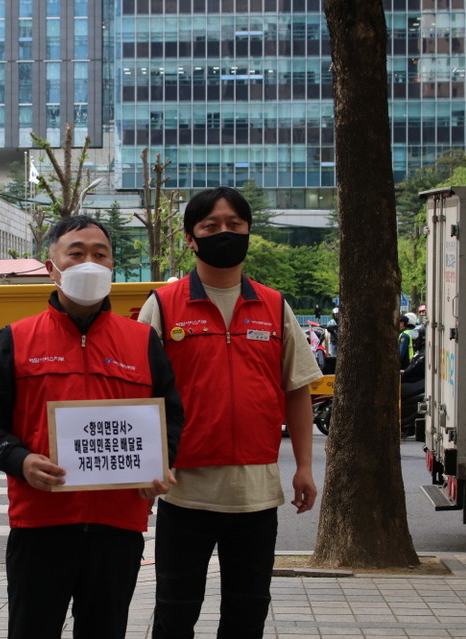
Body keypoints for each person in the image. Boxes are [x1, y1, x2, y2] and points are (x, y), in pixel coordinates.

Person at [0, 215, 184, 639]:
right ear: (52, 267)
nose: (90, 262)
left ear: (111, 267)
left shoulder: (142, 340)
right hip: (41, 524)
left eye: (100, 254)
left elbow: (171, 415)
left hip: (117, 526)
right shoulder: (16, 338)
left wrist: (160, 463)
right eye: (77, 253)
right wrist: (21, 459)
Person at [138, 186, 321, 639]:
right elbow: (140, 396)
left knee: (247, 613)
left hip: (256, 496)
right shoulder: (162, 306)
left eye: (234, 225)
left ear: (248, 233)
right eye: (211, 226)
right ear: (190, 238)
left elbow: (297, 389)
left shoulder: (274, 306)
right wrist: (145, 471)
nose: (224, 233)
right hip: (185, 494)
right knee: (175, 613)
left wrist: (303, 466)